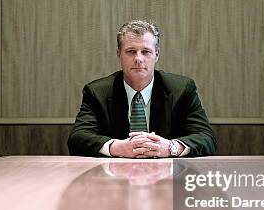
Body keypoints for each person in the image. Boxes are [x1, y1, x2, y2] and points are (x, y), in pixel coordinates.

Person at [68, 19, 216, 158]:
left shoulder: (181, 89)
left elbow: (207, 138)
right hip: (115, 177)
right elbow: (77, 138)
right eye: (131, 51)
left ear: (156, 54)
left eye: (146, 51)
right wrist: (118, 147)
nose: (138, 59)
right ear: (119, 54)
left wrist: (171, 147)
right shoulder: (97, 92)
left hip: (170, 178)